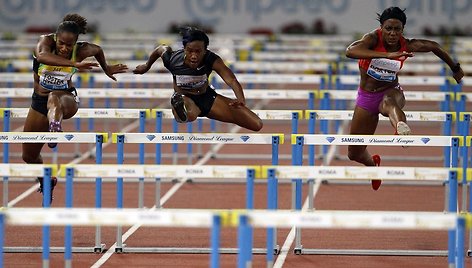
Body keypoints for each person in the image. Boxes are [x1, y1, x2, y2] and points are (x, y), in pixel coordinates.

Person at [345, 6, 464, 190]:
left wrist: (455, 68)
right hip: (367, 96)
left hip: (391, 91)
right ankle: (373, 167)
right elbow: (350, 51)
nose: (393, 33)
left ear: (403, 30)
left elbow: (434, 46)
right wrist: (387, 55)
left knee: (389, 103)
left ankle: (401, 127)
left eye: (397, 29)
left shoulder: (406, 44)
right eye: (388, 29)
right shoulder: (372, 39)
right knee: (354, 153)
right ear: (381, 28)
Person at [22, 13, 128, 204]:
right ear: (55, 37)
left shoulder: (82, 50)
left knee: (54, 96)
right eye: (61, 43)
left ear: (76, 43)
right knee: (28, 156)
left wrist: (107, 68)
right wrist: (74, 64)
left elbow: (98, 49)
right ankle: (46, 180)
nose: (64, 48)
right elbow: (42, 56)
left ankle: (55, 128)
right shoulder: (44, 42)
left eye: (69, 45)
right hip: (39, 101)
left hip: (66, 99)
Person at [133, 27, 263, 131]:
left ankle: (183, 111)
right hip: (185, 97)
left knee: (256, 124)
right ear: (184, 49)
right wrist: (146, 66)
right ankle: (179, 107)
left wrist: (240, 99)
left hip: (207, 98)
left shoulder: (212, 59)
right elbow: (161, 49)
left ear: (205, 50)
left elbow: (231, 80)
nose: (194, 56)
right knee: (190, 114)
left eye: (198, 51)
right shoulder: (173, 60)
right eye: (190, 51)